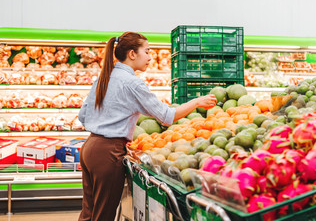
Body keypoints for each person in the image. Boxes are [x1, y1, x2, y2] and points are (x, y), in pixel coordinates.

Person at [77, 32, 217, 221]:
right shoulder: (133, 83)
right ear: (132, 54)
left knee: (88, 213)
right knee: (103, 215)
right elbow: (167, 116)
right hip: (108, 153)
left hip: (90, 148)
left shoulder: (104, 77)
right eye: (147, 51)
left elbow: (83, 116)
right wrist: (197, 102)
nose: (150, 57)